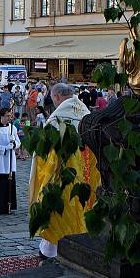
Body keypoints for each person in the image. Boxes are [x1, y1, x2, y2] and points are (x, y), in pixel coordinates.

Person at [30, 83, 100, 260]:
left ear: (56, 97)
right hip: (86, 177)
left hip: (62, 178)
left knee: (58, 213)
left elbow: (46, 155)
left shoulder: (56, 119)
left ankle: (50, 251)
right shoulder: (87, 115)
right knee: (82, 209)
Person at [0, 108, 20, 214]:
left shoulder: (13, 128)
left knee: (9, 183)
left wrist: (14, 144)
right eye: (7, 116)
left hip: (10, 160)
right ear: (1, 116)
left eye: (10, 116)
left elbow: (18, 142)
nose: (9, 118)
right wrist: (5, 148)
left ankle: (9, 205)